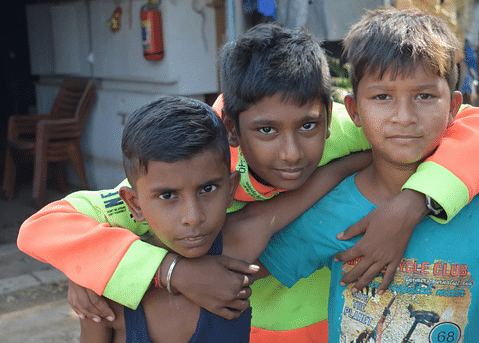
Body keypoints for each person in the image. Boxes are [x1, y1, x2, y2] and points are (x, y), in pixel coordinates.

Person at [17, 23, 479, 342]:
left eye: (309, 127)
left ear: (330, 116)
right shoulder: (203, 167)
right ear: (234, 131)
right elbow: (47, 226)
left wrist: (429, 188)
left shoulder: (351, 129)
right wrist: (156, 269)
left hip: (323, 324)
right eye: (265, 132)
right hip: (238, 321)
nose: (290, 152)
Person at [258, 8, 479, 342]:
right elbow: (240, 273)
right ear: (354, 111)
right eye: (382, 97)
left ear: (453, 107)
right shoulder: (329, 212)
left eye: (424, 96)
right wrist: (181, 271)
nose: (404, 117)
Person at [79, 95, 368, 343]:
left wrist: (403, 187)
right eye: (168, 196)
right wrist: (81, 272)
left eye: (207, 189)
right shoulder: (104, 291)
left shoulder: (239, 240)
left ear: (231, 189)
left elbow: (325, 179)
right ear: (134, 203)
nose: (193, 218)